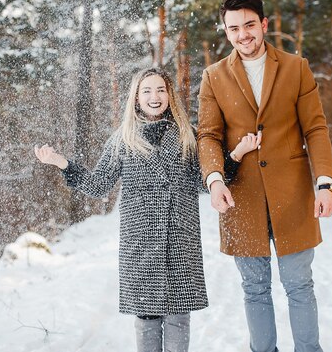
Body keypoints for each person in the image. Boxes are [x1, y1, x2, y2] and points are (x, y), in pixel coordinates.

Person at [34, 67, 260, 352]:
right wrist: (61, 162)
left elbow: (206, 181)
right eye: (147, 91)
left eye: (160, 90)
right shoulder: (123, 138)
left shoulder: (187, 135)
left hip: (180, 237)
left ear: (169, 96)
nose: (154, 96)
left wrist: (237, 153)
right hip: (140, 243)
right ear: (136, 98)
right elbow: (97, 185)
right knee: (147, 318)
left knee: (179, 316)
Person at [197, 0, 332, 352]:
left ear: (263, 24)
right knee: (255, 288)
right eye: (233, 28)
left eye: (248, 25)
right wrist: (214, 180)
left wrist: (325, 183)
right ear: (225, 32)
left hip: (293, 196)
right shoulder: (213, 77)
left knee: (299, 286)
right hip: (240, 197)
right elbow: (208, 136)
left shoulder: (296, 67)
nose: (242, 34)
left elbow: (316, 129)